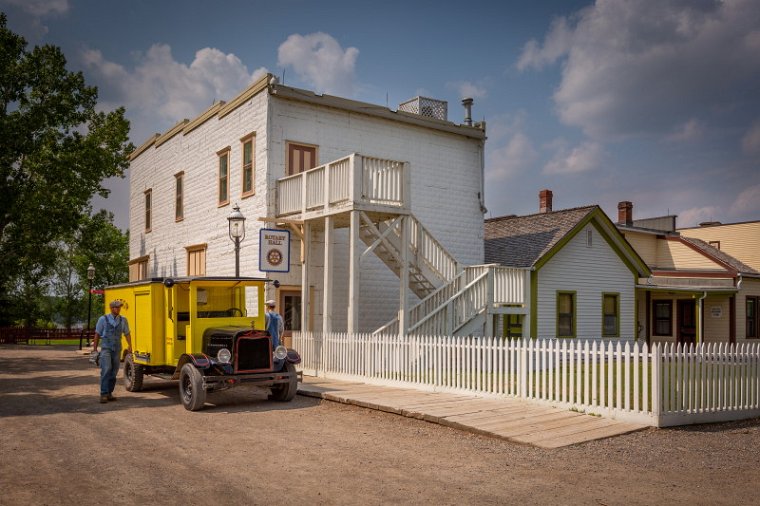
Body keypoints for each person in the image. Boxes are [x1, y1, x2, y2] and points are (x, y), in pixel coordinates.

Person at [93, 300, 133, 403]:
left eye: (119, 307)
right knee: (106, 369)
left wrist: (130, 345)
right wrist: (95, 349)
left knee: (114, 371)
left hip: (117, 349)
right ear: (111, 308)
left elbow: (127, 333)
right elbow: (97, 334)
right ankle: (103, 394)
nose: (118, 309)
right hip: (106, 348)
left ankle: (109, 393)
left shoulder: (123, 320)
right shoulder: (102, 319)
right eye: (116, 307)